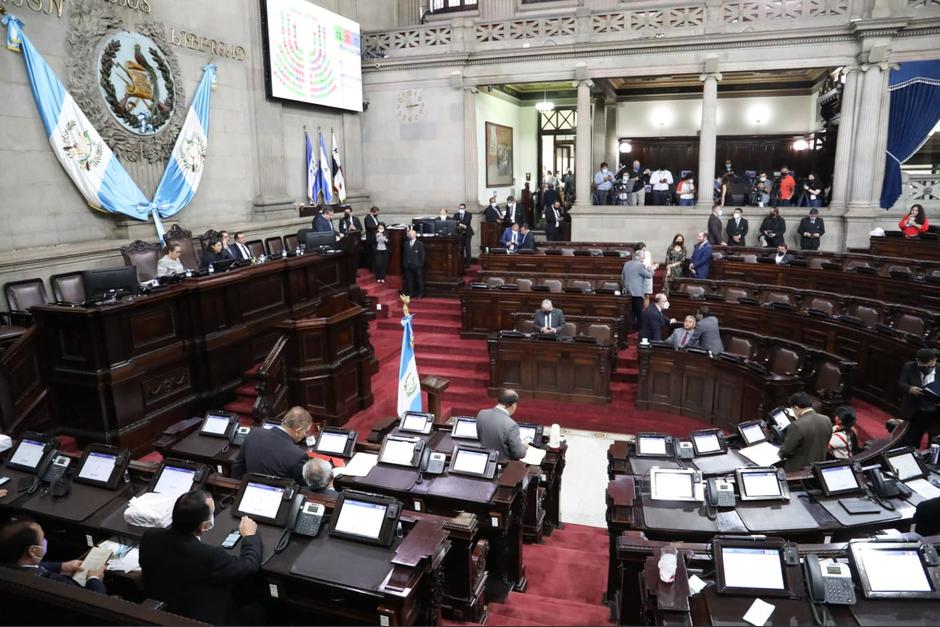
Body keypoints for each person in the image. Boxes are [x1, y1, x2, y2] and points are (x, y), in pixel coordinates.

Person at [139, 491, 262, 625]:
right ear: (203, 526)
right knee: (257, 610)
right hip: (199, 617)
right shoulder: (208, 555)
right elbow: (248, 566)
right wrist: (250, 536)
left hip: (164, 609)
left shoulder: (149, 537)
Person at [0, 520, 106, 593]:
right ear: (33, 551)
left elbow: (31, 568)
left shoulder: (7, 566)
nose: (45, 541)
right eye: (42, 538)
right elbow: (95, 602)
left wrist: (61, 566)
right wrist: (94, 579)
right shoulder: (56, 584)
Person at [231, 406, 312, 484]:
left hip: (248, 489)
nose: (305, 435)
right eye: (305, 432)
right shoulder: (298, 455)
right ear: (298, 431)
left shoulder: (254, 433)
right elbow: (301, 484)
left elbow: (238, 466)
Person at [777, 392, 832, 472]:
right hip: (819, 468)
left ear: (796, 407)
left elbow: (786, 451)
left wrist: (779, 453)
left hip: (799, 471)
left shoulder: (797, 425)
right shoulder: (826, 419)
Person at [899, 348, 940, 448]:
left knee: (934, 443)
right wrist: (910, 389)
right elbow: (901, 383)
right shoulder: (909, 366)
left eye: (930, 364)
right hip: (915, 412)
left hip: (935, 414)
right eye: (923, 365)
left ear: (934, 360)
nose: (927, 367)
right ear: (917, 361)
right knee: (912, 441)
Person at [475, 389, 527, 461]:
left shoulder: (481, 413)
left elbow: (480, 437)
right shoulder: (511, 425)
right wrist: (524, 447)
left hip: (483, 459)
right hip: (503, 464)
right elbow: (519, 454)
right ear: (513, 405)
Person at [622, 251, 653, 327]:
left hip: (627, 292)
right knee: (639, 313)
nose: (643, 259)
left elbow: (622, 277)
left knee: (630, 312)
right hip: (637, 293)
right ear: (639, 257)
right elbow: (649, 276)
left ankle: (629, 329)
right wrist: (651, 269)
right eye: (643, 258)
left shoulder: (626, 264)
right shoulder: (640, 265)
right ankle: (641, 331)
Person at [403, 228, 426, 298]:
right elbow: (404, 255)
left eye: (411, 233)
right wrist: (405, 264)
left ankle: (420, 294)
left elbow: (422, 255)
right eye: (409, 233)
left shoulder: (419, 244)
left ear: (415, 235)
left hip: (417, 266)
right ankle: (411, 293)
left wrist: (420, 264)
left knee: (419, 280)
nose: (410, 235)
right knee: (410, 281)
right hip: (408, 265)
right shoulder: (406, 244)